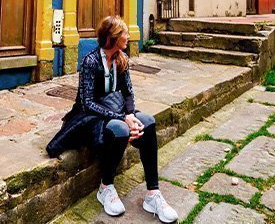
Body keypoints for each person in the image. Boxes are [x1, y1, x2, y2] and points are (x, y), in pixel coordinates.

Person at [46, 16, 178, 222]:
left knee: (149, 122)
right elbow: (87, 102)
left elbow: (128, 93)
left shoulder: (121, 57)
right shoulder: (90, 61)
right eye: (124, 33)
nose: (128, 36)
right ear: (112, 37)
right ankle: (106, 187)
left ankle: (153, 194)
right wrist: (122, 119)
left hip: (116, 110)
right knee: (121, 129)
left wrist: (130, 115)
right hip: (91, 117)